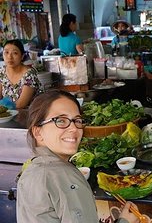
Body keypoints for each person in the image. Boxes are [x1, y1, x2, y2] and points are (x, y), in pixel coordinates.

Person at [16, 89, 140, 223]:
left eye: (77, 120)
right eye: (61, 121)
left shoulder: (30, 171)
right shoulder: (64, 176)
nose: (74, 128)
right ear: (38, 132)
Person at [0, 39, 42, 109]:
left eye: (15, 53)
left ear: (22, 56)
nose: (10, 57)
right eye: (6, 52)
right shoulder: (1, 72)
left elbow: (21, 105)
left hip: (30, 115)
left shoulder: (29, 74)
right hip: (8, 116)